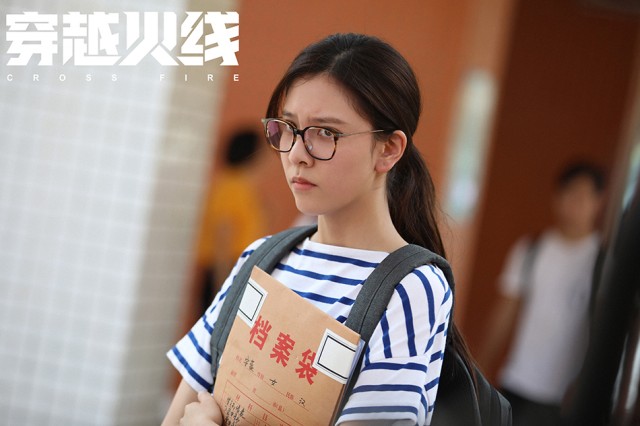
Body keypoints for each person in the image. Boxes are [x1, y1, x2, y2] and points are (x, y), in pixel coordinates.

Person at [162, 33, 473, 426]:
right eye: (288, 127)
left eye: (326, 133)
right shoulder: (260, 260)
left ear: (389, 149)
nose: (296, 154)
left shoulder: (411, 288)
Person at [478, 162, 605, 426]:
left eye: (583, 196)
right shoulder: (531, 250)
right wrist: (479, 366)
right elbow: (505, 311)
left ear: (598, 202)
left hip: (566, 396)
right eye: (569, 193)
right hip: (517, 382)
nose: (574, 203)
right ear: (556, 198)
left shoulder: (603, 262)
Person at [194, 130, 266, 316]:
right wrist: (222, 284)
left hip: (233, 270)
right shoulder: (232, 185)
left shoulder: (241, 185)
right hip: (225, 270)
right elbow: (223, 237)